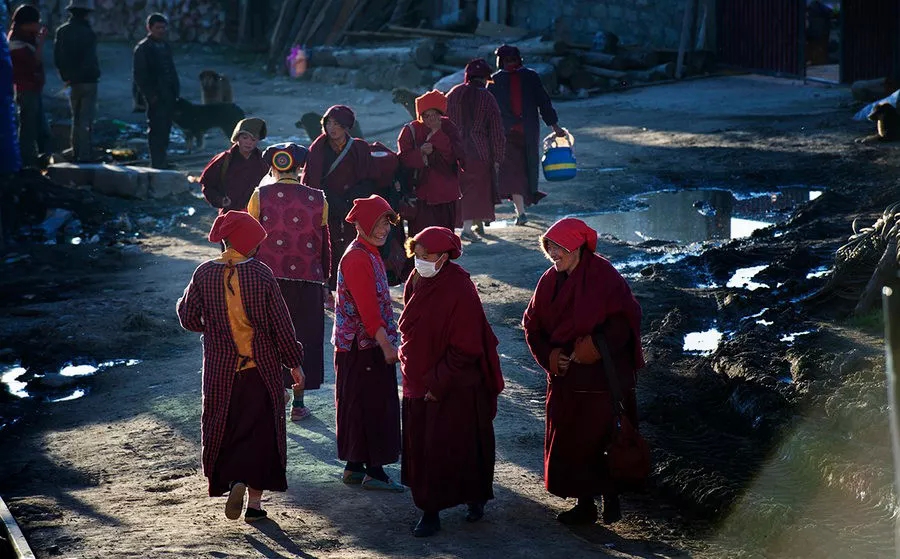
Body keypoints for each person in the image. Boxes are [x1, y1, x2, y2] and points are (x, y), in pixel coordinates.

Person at [176, 210, 305, 523]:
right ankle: (255, 506)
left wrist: (213, 327)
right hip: (260, 371)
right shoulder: (261, 274)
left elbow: (188, 316)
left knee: (229, 428)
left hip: (222, 372)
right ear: (251, 244)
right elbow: (281, 326)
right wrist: (294, 363)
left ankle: (235, 481)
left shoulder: (204, 273)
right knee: (261, 434)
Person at [522, 218, 644, 525]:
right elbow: (532, 325)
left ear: (577, 246)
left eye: (559, 247)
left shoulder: (604, 276)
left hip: (602, 379)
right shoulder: (549, 280)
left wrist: (594, 346)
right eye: (548, 246)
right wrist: (550, 356)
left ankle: (611, 496)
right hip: (566, 380)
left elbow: (625, 320)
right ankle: (585, 503)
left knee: (605, 440)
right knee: (573, 443)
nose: (553, 253)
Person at [398, 226, 504, 537]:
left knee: (461, 444)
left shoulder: (460, 288)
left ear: (444, 257)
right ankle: (429, 510)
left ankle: (475, 498)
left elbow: (467, 346)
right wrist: (419, 375)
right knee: (425, 446)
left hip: (455, 382)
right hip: (418, 377)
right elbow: (410, 326)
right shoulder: (417, 279)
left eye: (426, 256)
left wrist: (438, 381)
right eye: (416, 255)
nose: (419, 261)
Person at [248, 142, 331, 421]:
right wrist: (326, 281)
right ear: (300, 168)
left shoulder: (260, 196)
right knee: (302, 339)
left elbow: (249, 238)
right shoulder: (318, 198)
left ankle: (276, 391)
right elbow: (324, 246)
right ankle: (298, 404)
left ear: (273, 166)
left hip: (268, 279)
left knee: (270, 336)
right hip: (308, 280)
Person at [332, 194, 403, 492]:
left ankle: (354, 467)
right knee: (374, 406)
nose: (383, 229)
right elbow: (368, 309)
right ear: (361, 225)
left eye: (387, 223)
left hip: (358, 348)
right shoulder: (359, 257)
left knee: (356, 404)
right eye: (377, 223)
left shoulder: (369, 251)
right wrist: (386, 344)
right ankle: (375, 471)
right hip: (364, 348)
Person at [488, 44, 565, 225]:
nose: (510, 64)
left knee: (516, 171)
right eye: (509, 60)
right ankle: (521, 211)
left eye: (510, 60)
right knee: (521, 170)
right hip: (521, 133)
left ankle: (517, 211)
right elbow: (544, 103)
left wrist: (555, 126)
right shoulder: (528, 77)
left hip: (510, 134)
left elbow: (489, 110)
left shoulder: (497, 80)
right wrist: (555, 126)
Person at [301, 105, 375, 293]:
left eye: (337, 124)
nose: (331, 128)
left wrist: (351, 198)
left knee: (354, 242)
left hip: (353, 204)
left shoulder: (359, 147)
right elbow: (311, 180)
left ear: (346, 126)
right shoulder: (318, 148)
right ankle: (330, 282)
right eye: (328, 123)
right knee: (328, 243)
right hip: (326, 204)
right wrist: (330, 199)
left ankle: (353, 282)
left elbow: (368, 178)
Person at [447, 59, 505, 242]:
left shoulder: (454, 93)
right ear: (485, 79)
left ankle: (460, 228)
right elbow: (496, 130)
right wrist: (498, 156)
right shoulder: (487, 98)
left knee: (457, 190)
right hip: (479, 151)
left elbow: (443, 120)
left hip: (453, 150)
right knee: (475, 191)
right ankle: (467, 229)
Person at [397, 89, 464, 237]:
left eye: (435, 115)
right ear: (420, 116)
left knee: (445, 239)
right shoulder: (411, 130)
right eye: (426, 116)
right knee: (421, 240)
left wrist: (436, 133)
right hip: (422, 196)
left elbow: (454, 156)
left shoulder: (448, 127)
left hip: (446, 195)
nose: (431, 119)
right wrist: (421, 154)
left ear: (441, 114)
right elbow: (403, 159)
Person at [53, 0, 99, 163]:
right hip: (88, 81)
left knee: (76, 117)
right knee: (86, 118)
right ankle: (84, 154)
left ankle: (76, 150)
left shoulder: (62, 31)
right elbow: (90, 59)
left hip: (72, 81)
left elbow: (58, 58)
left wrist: (66, 77)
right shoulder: (88, 33)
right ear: (86, 14)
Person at [133, 13, 179, 169]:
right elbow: (140, 75)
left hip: (168, 95)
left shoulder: (165, 46)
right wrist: (150, 96)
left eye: (163, 27)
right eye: (158, 27)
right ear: (149, 28)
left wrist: (175, 91)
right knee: (156, 130)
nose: (161, 30)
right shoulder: (143, 48)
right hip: (155, 96)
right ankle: (157, 162)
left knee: (166, 129)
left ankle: (162, 160)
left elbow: (171, 70)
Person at [8, 4, 50, 169]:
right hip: (26, 91)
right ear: (26, 23)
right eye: (35, 22)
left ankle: (43, 161)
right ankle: (27, 163)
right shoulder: (17, 44)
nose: (37, 25)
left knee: (41, 129)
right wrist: (41, 43)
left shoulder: (26, 38)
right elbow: (34, 63)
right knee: (28, 129)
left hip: (34, 89)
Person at [200, 117, 269, 213]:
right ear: (237, 138)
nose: (248, 142)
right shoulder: (224, 160)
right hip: (230, 213)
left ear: (257, 141)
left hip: (257, 215)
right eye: (245, 138)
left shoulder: (263, 161)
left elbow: (271, 187)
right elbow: (208, 185)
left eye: (253, 139)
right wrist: (220, 200)